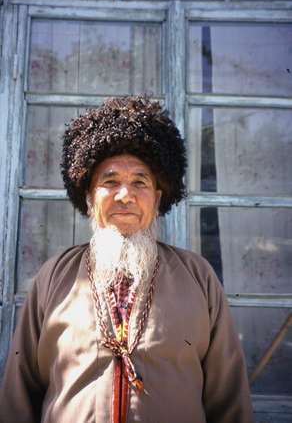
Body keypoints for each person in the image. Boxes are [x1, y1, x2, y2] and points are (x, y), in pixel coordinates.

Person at [0, 96, 254, 423]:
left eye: (139, 181)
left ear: (158, 197)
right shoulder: (54, 276)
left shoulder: (198, 277)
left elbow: (229, 399)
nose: (125, 195)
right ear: (89, 196)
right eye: (110, 181)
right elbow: (19, 393)